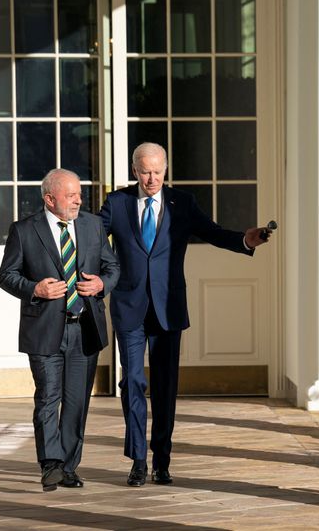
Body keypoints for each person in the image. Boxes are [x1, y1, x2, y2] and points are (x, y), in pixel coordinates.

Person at [99, 142, 271, 487]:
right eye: (146, 171)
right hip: (129, 307)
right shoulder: (116, 204)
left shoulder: (182, 203)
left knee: (165, 387)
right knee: (132, 381)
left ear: (166, 169)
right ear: (135, 171)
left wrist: (245, 241)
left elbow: (213, 232)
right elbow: (93, 240)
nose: (152, 178)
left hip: (168, 309)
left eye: (158, 171)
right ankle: (137, 460)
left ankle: (161, 461)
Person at [0, 168, 120, 491]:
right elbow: (6, 275)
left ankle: (68, 467)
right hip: (45, 330)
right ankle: (50, 463)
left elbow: (112, 266)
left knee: (77, 403)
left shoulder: (93, 225)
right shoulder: (24, 231)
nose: (79, 200)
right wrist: (35, 289)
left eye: (79, 194)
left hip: (85, 329)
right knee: (48, 398)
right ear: (50, 199)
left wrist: (102, 283)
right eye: (71, 195)